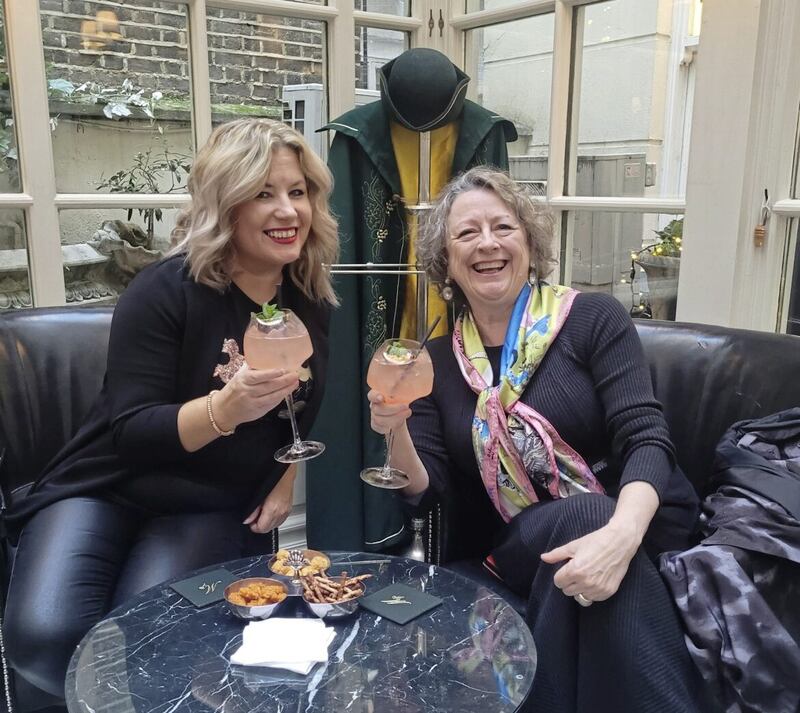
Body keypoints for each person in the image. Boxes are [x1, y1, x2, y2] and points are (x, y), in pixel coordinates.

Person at [4, 118, 338, 701]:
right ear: (224, 203)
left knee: (157, 636)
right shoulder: (165, 290)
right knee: (45, 633)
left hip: (208, 500)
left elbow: (301, 406)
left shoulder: (307, 297)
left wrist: (286, 476)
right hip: (108, 484)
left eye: (298, 192)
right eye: (263, 193)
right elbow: (133, 432)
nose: (288, 211)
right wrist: (225, 408)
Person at [367, 166, 704, 713]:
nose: (488, 244)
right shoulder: (432, 363)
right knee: (583, 518)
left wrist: (620, 535)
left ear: (529, 241)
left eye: (503, 227)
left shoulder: (592, 318)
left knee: (589, 543)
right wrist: (397, 426)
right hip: (514, 545)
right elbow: (426, 492)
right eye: (467, 234)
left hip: (641, 523)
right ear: (446, 262)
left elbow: (646, 437)